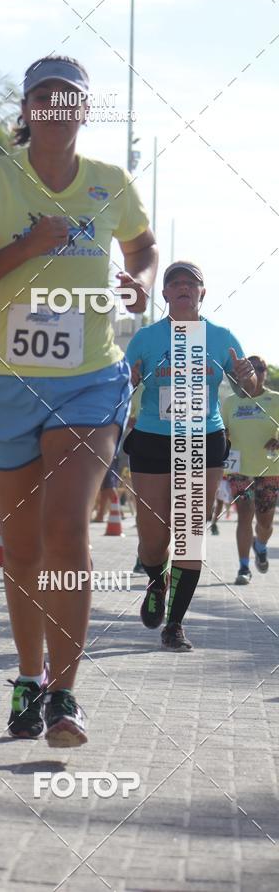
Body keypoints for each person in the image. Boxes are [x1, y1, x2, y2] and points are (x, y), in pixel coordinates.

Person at [0, 56, 157, 746]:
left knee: (68, 529)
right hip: (5, 383)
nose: (56, 107)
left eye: (69, 98)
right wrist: (28, 246)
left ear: (85, 110)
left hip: (91, 380)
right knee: (23, 545)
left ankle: (65, 695)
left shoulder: (110, 182)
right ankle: (29, 679)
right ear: (27, 107)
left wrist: (138, 279)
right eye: (43, 96)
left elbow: (144, 245)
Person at [125, 261, 256, 651]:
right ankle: (155, 580)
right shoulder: (146, 339)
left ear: (202, 293)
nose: (183, 287)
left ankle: (175, 624)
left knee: (189, 534)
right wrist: (127, 382)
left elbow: (245, 386)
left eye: (191, 283)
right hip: (152, 438)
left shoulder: (221, 337)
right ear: (164, 294)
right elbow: (124, 385)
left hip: (203, 439)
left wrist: (246, 376)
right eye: (175, 283)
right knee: (153, 538)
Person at [222, 356, 279, 584]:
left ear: (264, 373)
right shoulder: (230, 403)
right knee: (244, 515)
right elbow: (222, 432)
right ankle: (244, 568)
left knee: (265, 523)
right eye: (251, 368)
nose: (256, 372)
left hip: (269, 469)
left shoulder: (275, 400)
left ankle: (261, 544)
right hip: (239, 470)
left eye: (260, 368)